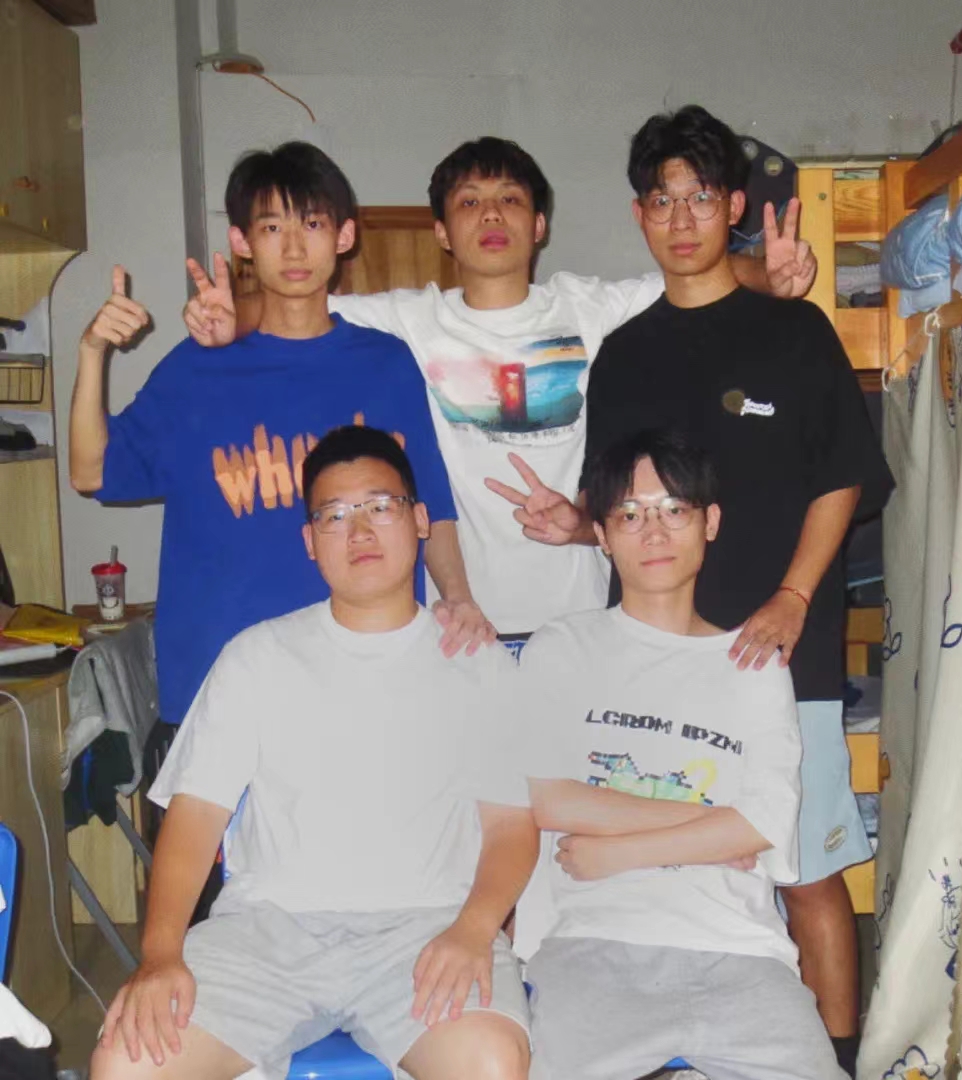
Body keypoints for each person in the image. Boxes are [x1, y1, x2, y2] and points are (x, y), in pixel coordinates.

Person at [490, 107, 894, 1076]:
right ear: (639, 214)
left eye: (700, 198)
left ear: (734, 208)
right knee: (662, 849)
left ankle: (832, 1059)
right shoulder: (625, 354)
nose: (681, 219)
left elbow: (843, 476)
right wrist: (576, 524)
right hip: (650, 663)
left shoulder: (793, 331)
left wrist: (795, 596)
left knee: (806, 872)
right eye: (662, 200)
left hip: (776, 645)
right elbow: (625, 500)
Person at [182, 136, 817, 650]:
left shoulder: (586, 306)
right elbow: (300, 305)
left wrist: (770, 274)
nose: (490, 215)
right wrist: (230, 319)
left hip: (583, 619)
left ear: (539, 225)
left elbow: (695, 276)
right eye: (469, 202)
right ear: (441, 232)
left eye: (509, 199)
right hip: (460, 625)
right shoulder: (410, 319)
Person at [90, 425, 537, 1080]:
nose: (359, 531)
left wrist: (473, 929)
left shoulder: (479, 664)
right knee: (126, 1063)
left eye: (380, 506)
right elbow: (194, 819)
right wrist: (160, 955)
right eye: (334, 515)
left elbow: (511, 828)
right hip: (265, 935)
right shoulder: (256, 657)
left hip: (429, 930)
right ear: (309, 541)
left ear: (420, 520)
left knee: (491, 1063)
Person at [70, 142, 488, 736]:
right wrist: (92, 352)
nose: (293, 248)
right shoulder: (197, 370)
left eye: (312, 224)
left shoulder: (387, 364)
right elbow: (90, 471)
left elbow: (432, 509)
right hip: (221, 691)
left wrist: (459, 597)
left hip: (366, 682)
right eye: (271, 227)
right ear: (242, 241)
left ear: (344, 235)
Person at [512, 429, 844, 1080]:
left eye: (674, 510)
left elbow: (765, 825)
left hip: (742, 955)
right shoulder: (563, 649)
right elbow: (544, 797)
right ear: (601, 536)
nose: (655, 532)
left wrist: (618, 850)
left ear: (709, 523)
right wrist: (714, 827)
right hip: (593, 948)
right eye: (630, 515)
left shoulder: (753, 664)